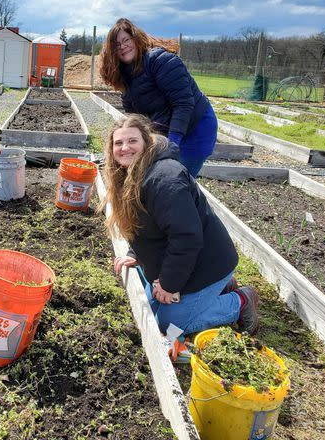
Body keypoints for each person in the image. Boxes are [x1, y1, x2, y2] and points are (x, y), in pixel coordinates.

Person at [105, 114, 259, 336]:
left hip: (206, 262)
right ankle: (219, 288)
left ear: (146, 143)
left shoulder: (164, 179)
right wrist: (134, 252)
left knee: (167, 327)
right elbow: (142, 224)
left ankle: (241, 301)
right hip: (181, 260)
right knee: (148, 309)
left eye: (132, 141)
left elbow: (185, 237)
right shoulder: (127, 174)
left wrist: (168, 285)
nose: (125, 148)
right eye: (118, 143)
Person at [100, 18, 218, 177]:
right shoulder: (125, 75)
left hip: (196, 128)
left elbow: (183, 104)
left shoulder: (160, 61)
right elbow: (136, 118)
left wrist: (171, 144)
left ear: (135, 39)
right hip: (167, 128)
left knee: (174, 181)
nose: (123, 46)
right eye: (117, 44)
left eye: (126, 39)